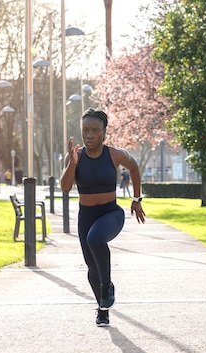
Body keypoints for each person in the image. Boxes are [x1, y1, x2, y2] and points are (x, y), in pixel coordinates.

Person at [60, 108, 145, 327]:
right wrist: (72, 163)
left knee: (95, 239)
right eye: (85, 130)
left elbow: (134, 167)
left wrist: (137, 198)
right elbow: (66, 187)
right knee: (91, 269)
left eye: (95, 130)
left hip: (110, 213)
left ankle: (107, 287)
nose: (89, 135)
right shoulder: (75, 157)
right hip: (86, 216)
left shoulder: (114, 154)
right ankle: (102, 308)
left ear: (104, 132)